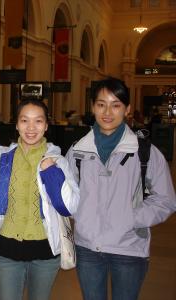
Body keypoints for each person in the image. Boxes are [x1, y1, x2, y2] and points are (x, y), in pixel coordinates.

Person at [65, 77, 176, 300]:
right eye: (101, 104)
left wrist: (133, 218)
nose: (107, 112)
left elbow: (165, 199)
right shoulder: (77, 151)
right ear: (93, 107)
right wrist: (82, 217)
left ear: (127, 110)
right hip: (88, 248)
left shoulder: (145, 152)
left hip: (129, 249)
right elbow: (67, 194)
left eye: (116, 105)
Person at [0, 99, 80, 300]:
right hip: (8, 251)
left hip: (45, 252)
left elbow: (69, 207)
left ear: (46, 125)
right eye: (24, 120)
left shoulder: (58, 161)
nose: (31, 128)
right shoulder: (3, 159)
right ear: (16, 124)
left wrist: (52, 174)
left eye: (38, 121)